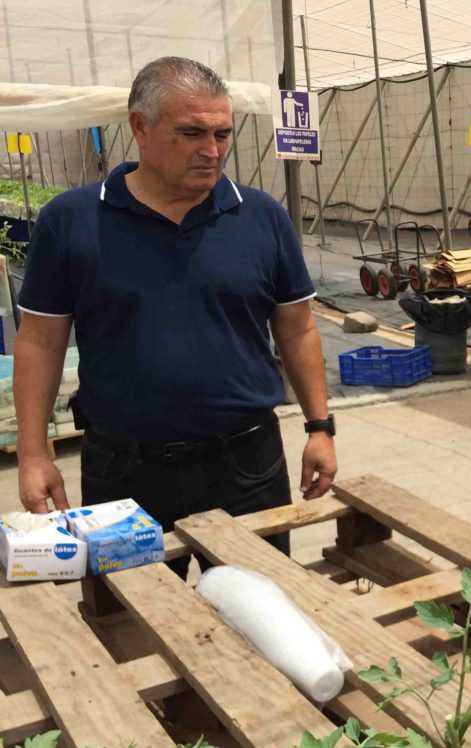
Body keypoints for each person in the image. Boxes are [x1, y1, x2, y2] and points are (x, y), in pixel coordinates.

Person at [14, 57, 337, 572]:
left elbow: (297, 329)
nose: (212, 151)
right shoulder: (73, 221)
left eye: (222, 134)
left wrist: (320, 427)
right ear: (140, 128)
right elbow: (40, 340)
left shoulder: (260, 217)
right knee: (134, 610)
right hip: (124, 473)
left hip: (247, 466)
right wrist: (34, 454)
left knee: (256, 605)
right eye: (191, 133)